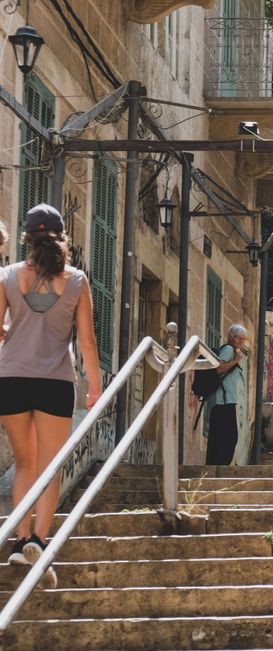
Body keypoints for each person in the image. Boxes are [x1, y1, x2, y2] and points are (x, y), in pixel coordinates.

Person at [0, 204, 102, 587]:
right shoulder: (75, 280)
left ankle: (17, 541)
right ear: (62, 236)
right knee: (49, 467)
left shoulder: (7, 276)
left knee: (24, 464)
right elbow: (88, 341)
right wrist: (95, 387)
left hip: (11, 379)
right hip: (55, 381)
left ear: (25, 238)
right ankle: (39, 541)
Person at [205, 324, 248, 465]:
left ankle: (216, 468)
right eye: (237, 337)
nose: (240, 341)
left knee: (221, 438)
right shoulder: (229, 350)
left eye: (242, 338)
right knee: (229, 438)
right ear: (230, 337)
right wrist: (235, 360)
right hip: (222, 401)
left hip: (225, 400)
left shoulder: (233, 350)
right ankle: (219, 469)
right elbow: (218, 369)